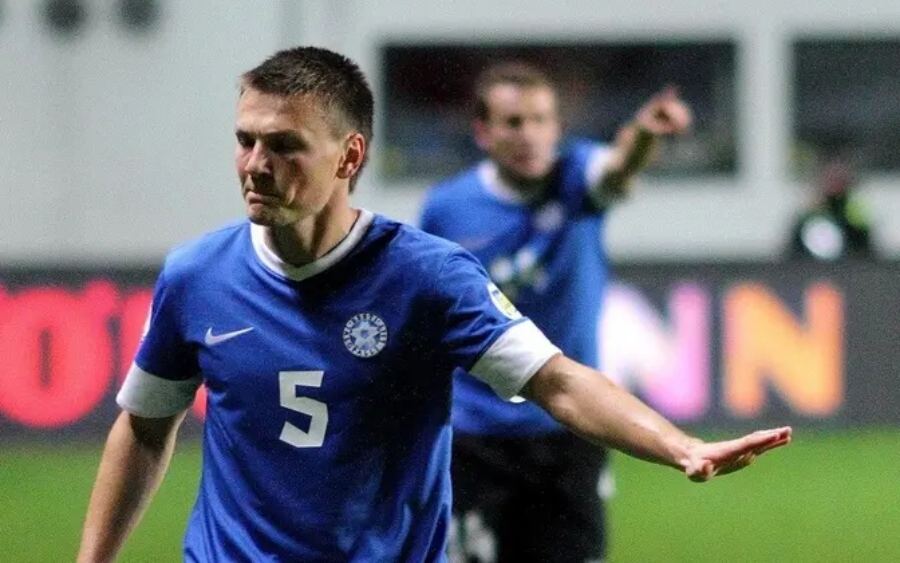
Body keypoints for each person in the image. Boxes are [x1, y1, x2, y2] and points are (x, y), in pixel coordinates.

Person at [77, 46, 791, 563]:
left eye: (285, 145)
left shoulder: (425, 277)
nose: (256, 164)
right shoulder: (196, 274)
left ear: (349, 157)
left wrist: (681, 446)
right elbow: (144, 426)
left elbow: (557, 379)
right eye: (245, 140)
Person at [419, 62, 693, 562]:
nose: (529, 134)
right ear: (483, 132)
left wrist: (645, 134)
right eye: (513, 122)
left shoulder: (576, 179)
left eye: (540, 120)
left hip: (571, 425)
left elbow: (619, 166)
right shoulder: (447, 208)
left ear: (557, 128)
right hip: (475, 434)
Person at [788, 155, 874, 261]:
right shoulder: (810, 216)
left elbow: (865, 250)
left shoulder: (856, 215)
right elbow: (794, 253)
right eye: (831, 178)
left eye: (839, 179)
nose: (835, 183)